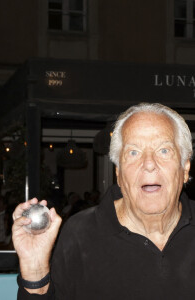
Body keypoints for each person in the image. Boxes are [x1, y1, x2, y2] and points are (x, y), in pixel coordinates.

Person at [13, 103, 195, 299]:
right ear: (118, 173)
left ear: (185, 169)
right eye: (133, 152)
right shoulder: (79, 234)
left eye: (164, 150)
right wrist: (35, 270)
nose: (149, 164)